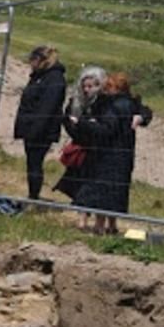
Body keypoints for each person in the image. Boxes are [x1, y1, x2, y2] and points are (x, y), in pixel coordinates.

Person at [71, 72, 144, 235]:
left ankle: (97, 226)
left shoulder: (114, 106)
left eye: (107, 87)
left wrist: (83, 123)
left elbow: (107, 129)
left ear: (115, 88)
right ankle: (110, 226)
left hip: (108, 154)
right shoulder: (130, 104)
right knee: (115, 192)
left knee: (100, 191)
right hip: (124, 154)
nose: (104, 90)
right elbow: (143, 112)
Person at [13, 46, 67, 202]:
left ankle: (33, 196)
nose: (30, 63)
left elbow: (47, 108)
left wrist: (35, 130)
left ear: (41, 60)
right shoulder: (38, 76)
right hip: (31, 126)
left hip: (42, 130)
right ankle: (32, 194)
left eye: (33, 59)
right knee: (32, 163)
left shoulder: (55, 79)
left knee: (35, 163)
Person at [56, 66, 107, 216]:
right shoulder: (76, 101)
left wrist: (84, 125)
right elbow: (67, 119)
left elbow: (104, 126)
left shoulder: (105, 102)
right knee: (76, 176)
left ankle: (84, 209)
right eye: (84, 86)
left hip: (97, 148)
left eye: (90, 86)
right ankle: (79, 205)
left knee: (92, 180)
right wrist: (75, 129)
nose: (86, 90)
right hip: (79, 144)